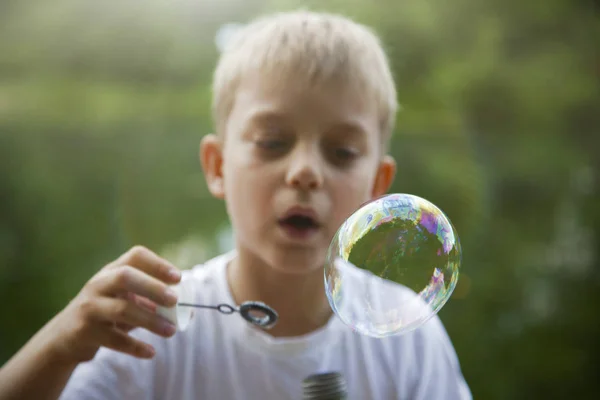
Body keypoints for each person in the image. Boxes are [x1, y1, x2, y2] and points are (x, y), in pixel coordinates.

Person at [0, 10, 471, 400]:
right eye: (272, 141)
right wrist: (60, 346)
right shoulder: (157, 323)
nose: (305, 171)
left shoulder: (410, 340)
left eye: (342, 152)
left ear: (377, 185)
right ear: (218, 165)